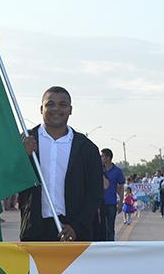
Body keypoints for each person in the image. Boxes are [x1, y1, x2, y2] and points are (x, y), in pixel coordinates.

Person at [19, 86, 103, 242]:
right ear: (41, 108)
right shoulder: (25, 141)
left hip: (74, 232)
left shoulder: (86, 148)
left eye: (62, 104)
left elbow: (95, 193)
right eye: (50, 104)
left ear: (70, 110)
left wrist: (77, 226)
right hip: (35, 230)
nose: (56, 109)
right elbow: (8, 177)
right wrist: (21, 156)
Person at [99, 148, 125, 240]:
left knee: (110, 227)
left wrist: (121, 202)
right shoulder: (98, 170)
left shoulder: (117, 171)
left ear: (108, 158)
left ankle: (110, 246)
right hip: (99, 203)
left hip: (111, 203)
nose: (100, 158)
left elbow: (121, 187)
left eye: (102, 156)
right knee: (101, 227)